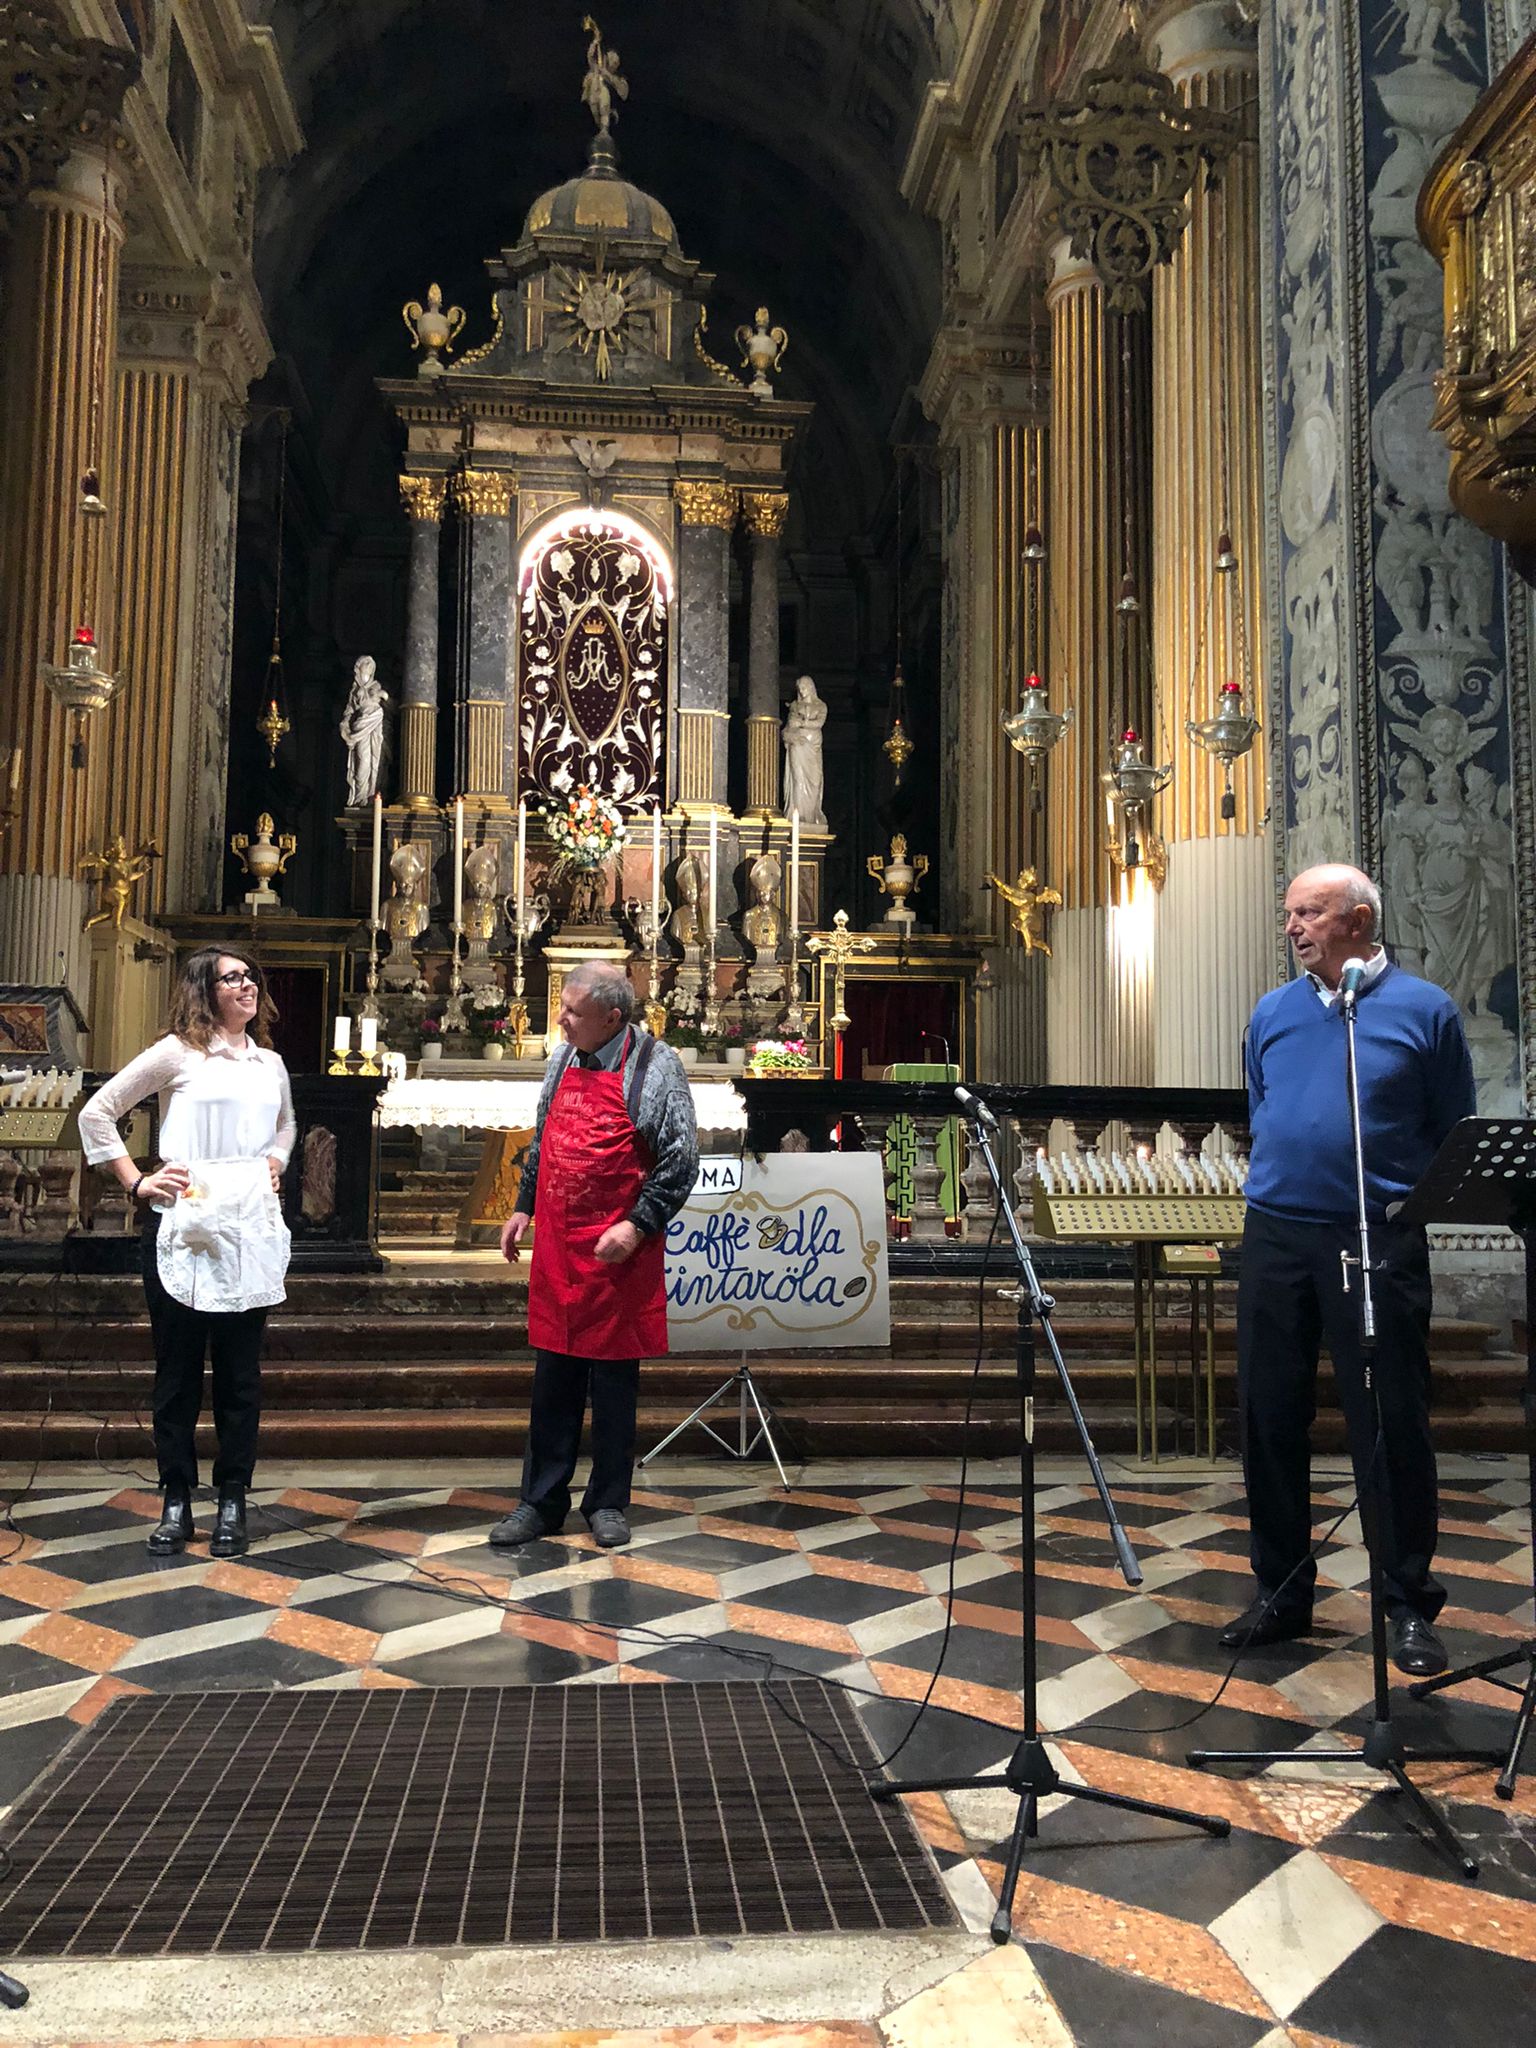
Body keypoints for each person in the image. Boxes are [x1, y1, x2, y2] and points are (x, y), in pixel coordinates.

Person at [1224, 863, 1474, 1677]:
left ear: (1359, 921)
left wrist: (1398, 1209)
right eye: (1289, 912)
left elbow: (1450, 1128)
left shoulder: (1423, 1011)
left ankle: (1407, 1605)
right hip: (1277, 1236)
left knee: (1392, 1423)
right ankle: (1281, 1592)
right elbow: (1262, 1106)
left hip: (1376, 1239)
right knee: (1268, 1416)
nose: (1293, 926)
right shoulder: (1272, 1013)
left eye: (1311, 913)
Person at [78, 949, 294, 1558]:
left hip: (247, 1227)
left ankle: (232, 1497)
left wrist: (274, 1162)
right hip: (184, 1223)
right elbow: (98, 1113)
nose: (248, 984)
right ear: (205, 990)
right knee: (177, 1375)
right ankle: (176, 1497)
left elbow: (285, 1125)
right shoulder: (178, 1052)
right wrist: (136, 1182)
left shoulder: (268, 1063)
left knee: (239, 1377)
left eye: (252, 975)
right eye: (234, 978)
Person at [490, 960, 697, 1550]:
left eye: (573, 1012)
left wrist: (635, 1227)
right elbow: (544, 1136)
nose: (560, 1020)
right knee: (552, 1380)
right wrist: (523, 1206)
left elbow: (681, 1162)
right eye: (562, 1006)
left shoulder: (657, 1069)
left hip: (617, 1256)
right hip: (560, 1249)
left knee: (612, 1385)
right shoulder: (561, 1061)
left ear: (612, 1017)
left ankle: (607, 1502)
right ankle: (540, 1501)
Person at [782, 674, 827, 830]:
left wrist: (802, 722)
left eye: (804, 687)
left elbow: (819, 723)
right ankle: (797, 814)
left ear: (811, 687)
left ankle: (811, 815)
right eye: (799, 688)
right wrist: (793, 737)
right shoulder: (795, 706)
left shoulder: (821, 706)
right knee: (798, 779)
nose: (801, 691)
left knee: (815, 780)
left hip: (813, 746)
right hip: (798, 745)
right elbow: (788, 728)